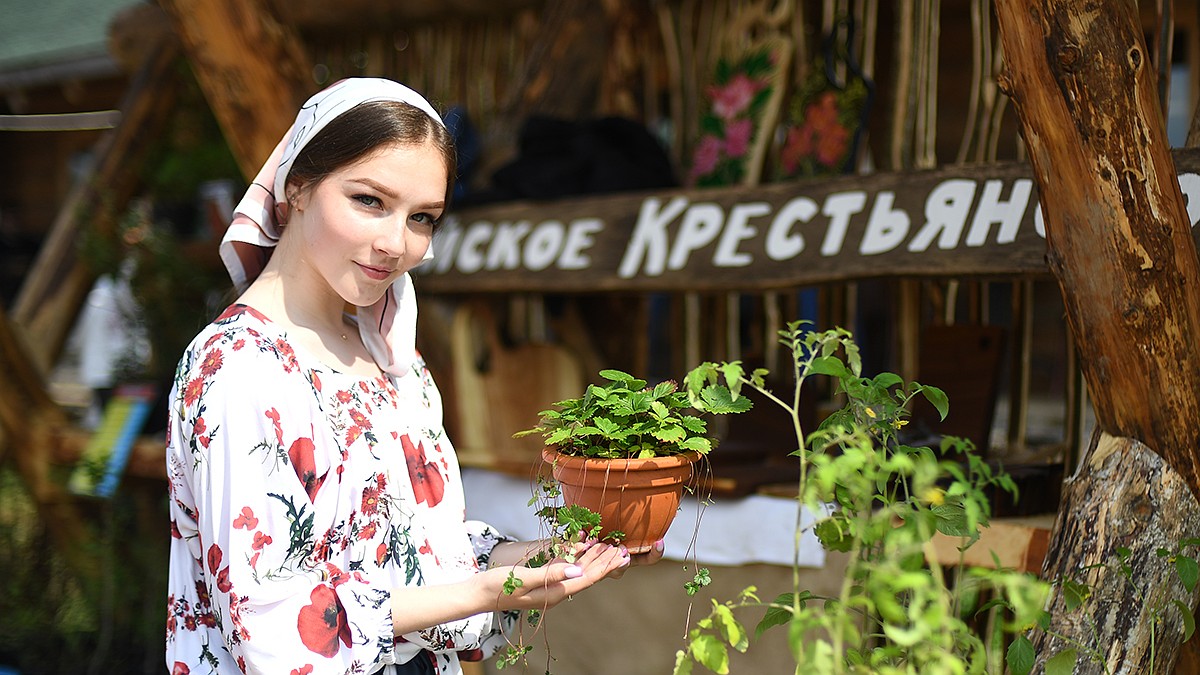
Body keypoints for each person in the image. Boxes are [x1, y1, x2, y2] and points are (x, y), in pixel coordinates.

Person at [164, 78, 660, 675]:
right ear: (296, 186)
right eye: (369, 201)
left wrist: (545, 558)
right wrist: (485, 592)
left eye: (422, 217)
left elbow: (416, 552)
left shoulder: (395, 362)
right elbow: (270, 621)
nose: (396, 243)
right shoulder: (237, 367)